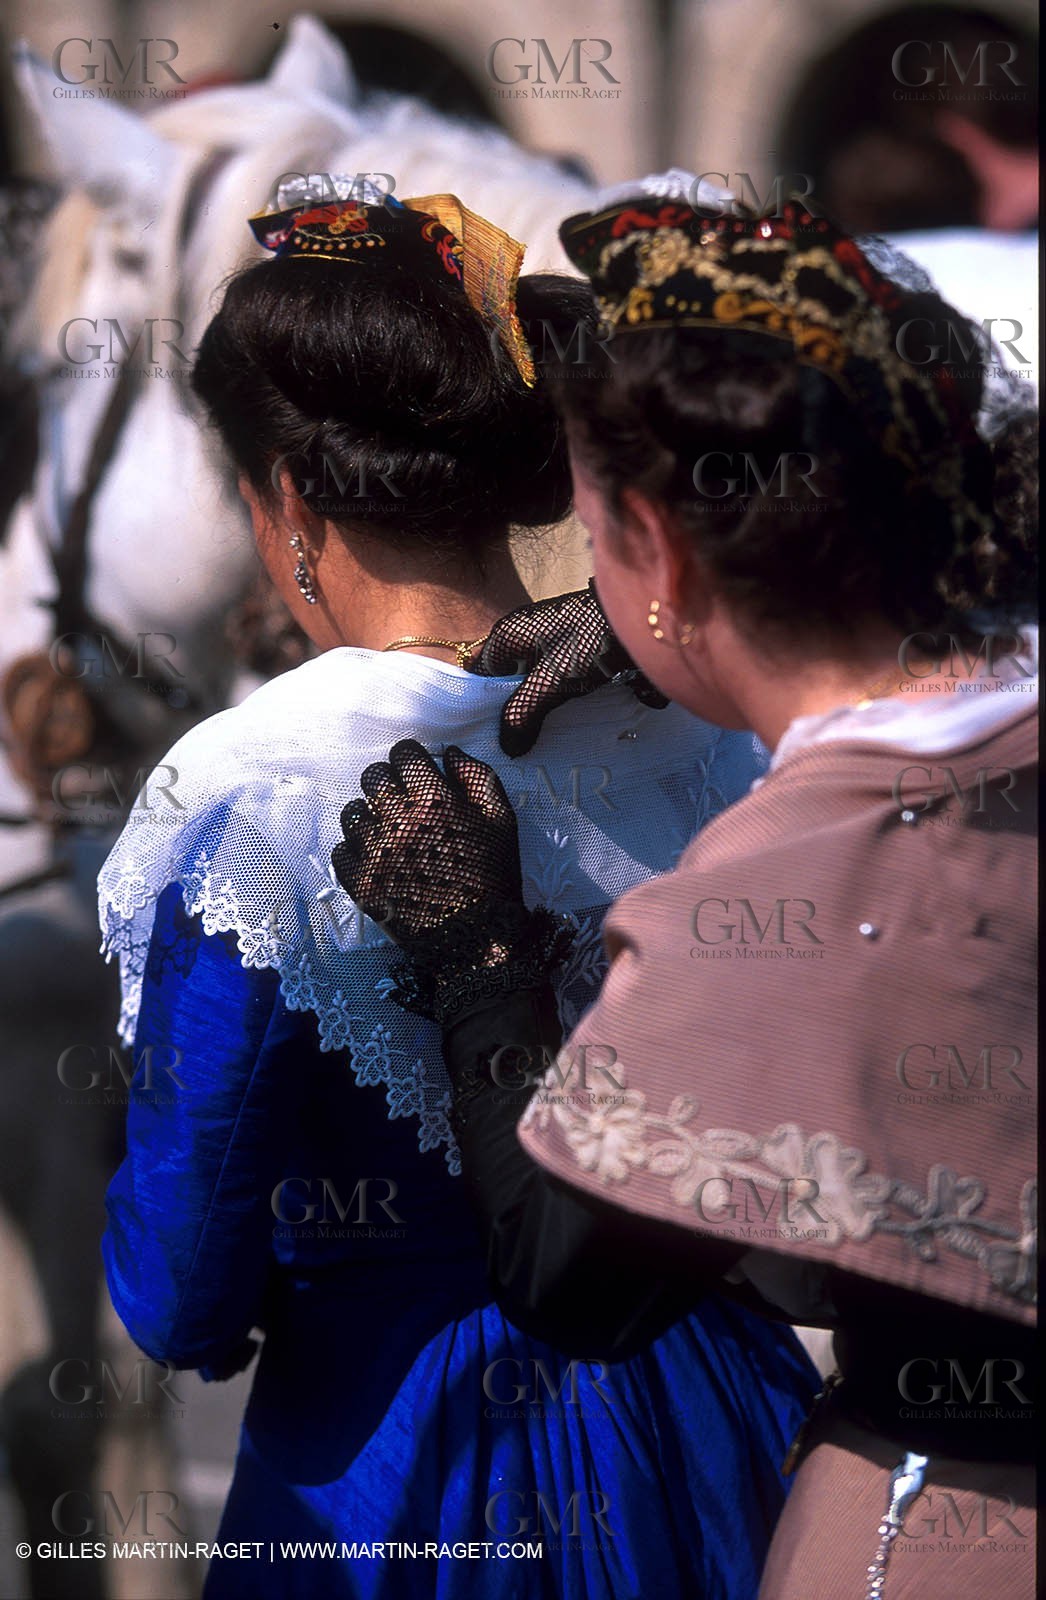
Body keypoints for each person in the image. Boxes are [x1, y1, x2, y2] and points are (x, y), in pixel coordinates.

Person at [97, 190, 817, 1599]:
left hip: (405, 1462)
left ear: (287, 503)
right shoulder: (703, 726)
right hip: (724, 1414)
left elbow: (181, 1284)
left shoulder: (254, 788)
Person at [332, 185, 1037, 1598]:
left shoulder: (782, 893)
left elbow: (572, 1279)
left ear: (648, 544)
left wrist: (477, 956)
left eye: (599, 532)